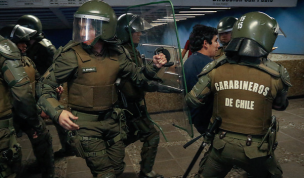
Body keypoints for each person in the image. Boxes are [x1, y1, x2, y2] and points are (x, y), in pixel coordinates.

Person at [35, 1, 167, 177]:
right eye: (80, 27)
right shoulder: (71, 55)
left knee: (118, 169)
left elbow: (138, 77)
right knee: (105, 174)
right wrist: (58, 112)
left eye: (87, 28)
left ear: (104, 29)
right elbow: (44, 87)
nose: (82, 33)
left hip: (113, 122)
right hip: (86, 125)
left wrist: (154, 67)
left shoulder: (117, 53)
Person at [185, 11, 291, 178]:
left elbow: (192, 100)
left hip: (220, 144)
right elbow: (280, 105)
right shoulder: (276, 74)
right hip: (257, 150)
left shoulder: (215, 68)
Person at [0, 24, 55, 178]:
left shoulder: (28, 61)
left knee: (43, 138)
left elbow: (38, 82)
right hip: (10, 114)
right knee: (10, 153)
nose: (25, 46)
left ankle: (46, 170)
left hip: (27, 111)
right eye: (21, 42)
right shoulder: (6, 62)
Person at [116, 13, 164, 178]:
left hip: (132, 106)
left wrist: (154, 68)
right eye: (136, 30)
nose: (140, 33)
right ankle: (145, 172)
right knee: (151, 135)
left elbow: (141, 74)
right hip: (128, 107)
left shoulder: (131, 51)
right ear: (126, 32)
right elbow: (136, 80)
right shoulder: (123, 52)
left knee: (123, 140)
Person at [184, 24, 219, 134]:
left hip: (196, 117)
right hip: (206, 119)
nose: (218, 45)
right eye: (216, 41)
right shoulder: (209, 65)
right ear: (205, 44)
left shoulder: (190, 60)